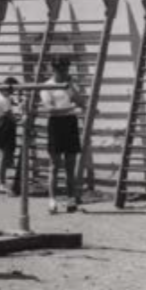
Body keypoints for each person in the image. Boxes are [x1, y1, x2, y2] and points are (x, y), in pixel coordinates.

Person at [40, 56, 86, 214]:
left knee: (70, 166)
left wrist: (71, 87)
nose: (63, 71)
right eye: (60, 68)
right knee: (54, 165)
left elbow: (82, 103)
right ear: (53, 69)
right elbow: (50, 109)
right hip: (56, 125)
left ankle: (71, 199)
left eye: (65, 68)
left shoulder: (69, 85)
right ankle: (52, 201)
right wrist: (72, 108)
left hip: (70, 124)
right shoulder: (47, 86)